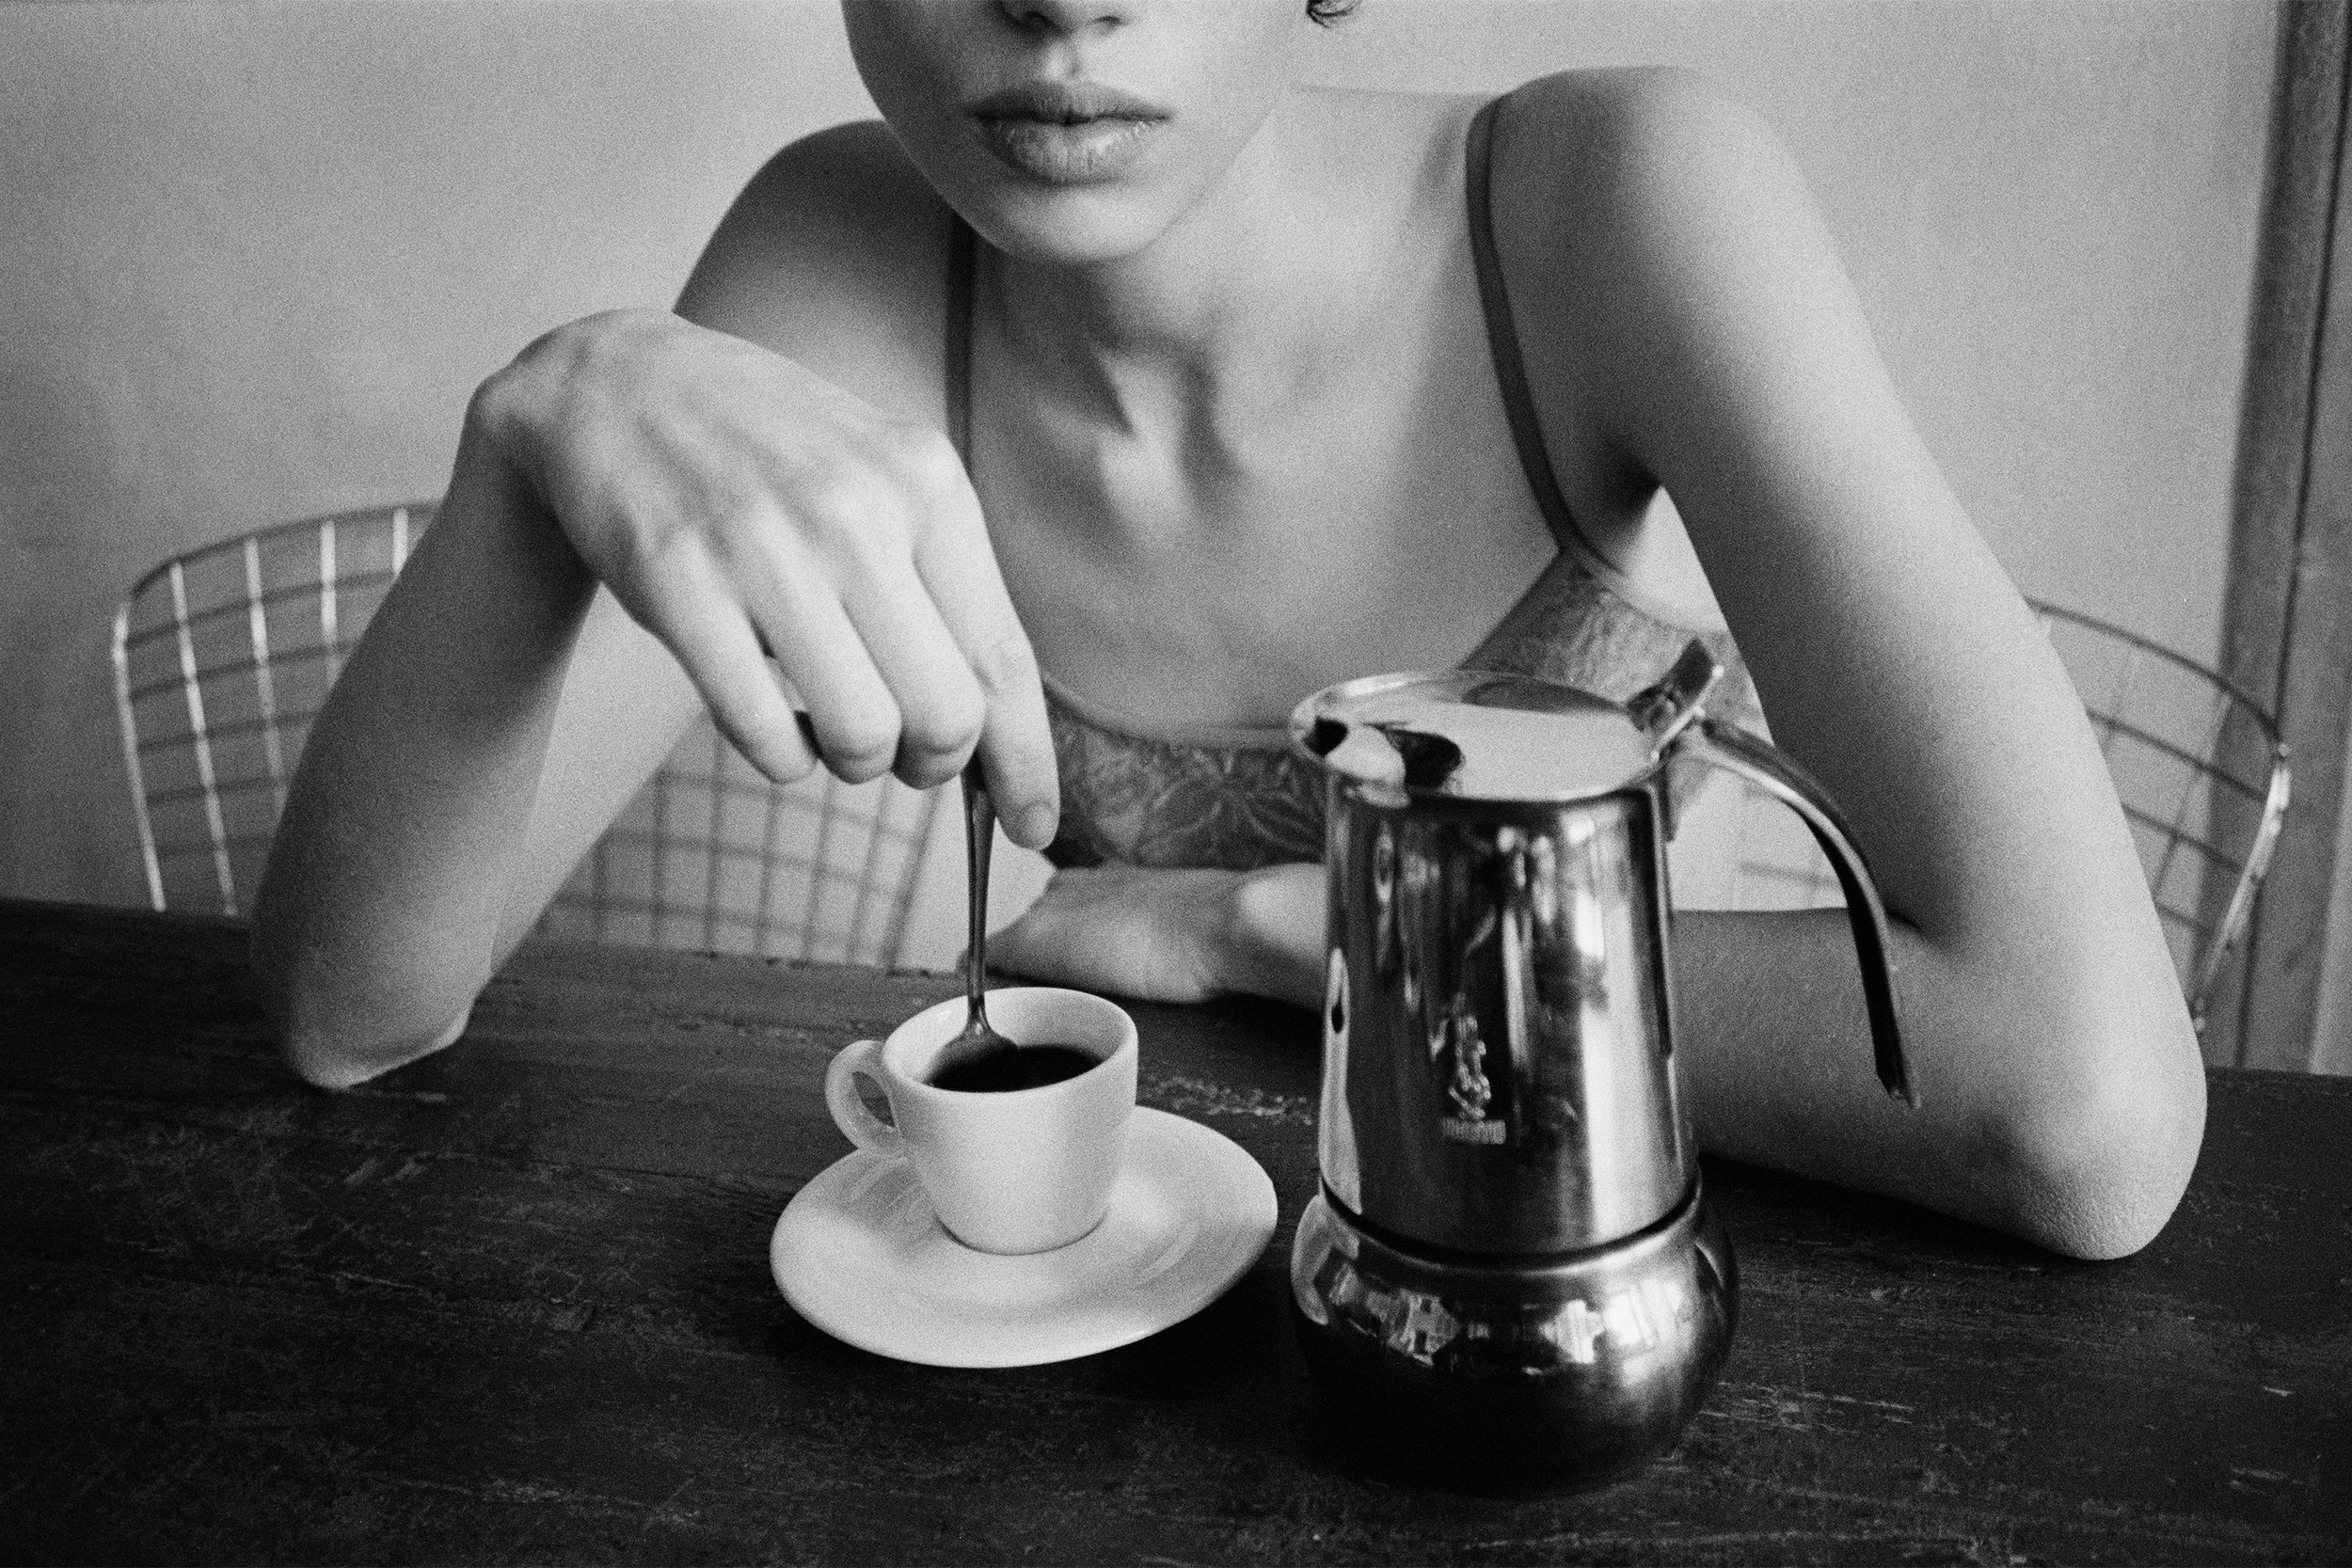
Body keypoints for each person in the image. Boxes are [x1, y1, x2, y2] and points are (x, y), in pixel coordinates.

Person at [249, 0, 2205, 1261]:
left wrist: (1236, 928)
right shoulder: (843, 250)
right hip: (1130, 1306)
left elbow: (2076, 1110)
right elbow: (356, 1013)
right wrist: (541, 420)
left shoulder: (1612, 198)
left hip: (1623, 1261)